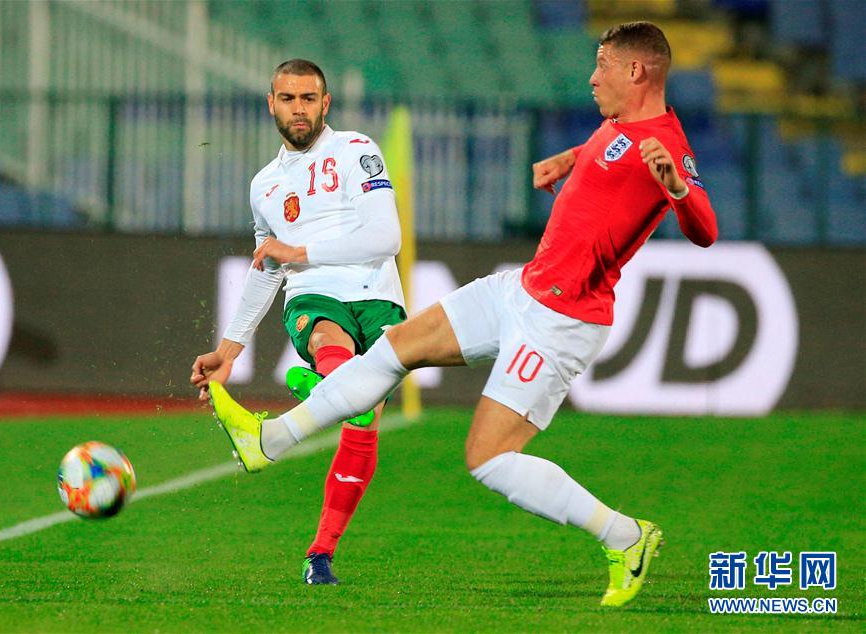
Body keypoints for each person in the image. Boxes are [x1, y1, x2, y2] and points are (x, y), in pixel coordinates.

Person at [204, 22, 718, 607]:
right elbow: (610, 152)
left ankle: (625, 537)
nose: (592, 77)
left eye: (602, 65)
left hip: (561, 319)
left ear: (636, 71)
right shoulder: (620, 124)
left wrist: (678, 188)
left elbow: (705, 228)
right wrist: (570, 159)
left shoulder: (665, 145)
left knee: (488, 458)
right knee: (394, 348)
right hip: (521, 288)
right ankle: (268, 439)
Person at [190, 59, 407, 586]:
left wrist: (297, 250)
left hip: (377, 295)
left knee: (362, 422)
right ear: (271, 104)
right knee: (339, 358)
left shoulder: (357, 151)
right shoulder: (264, 185)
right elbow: (267, 268)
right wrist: (229, 349)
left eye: (308, 98)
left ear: (325, 103)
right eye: (287, 99)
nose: (298, 109)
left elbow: (386, 239)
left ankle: (321, 552)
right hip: (314, 295)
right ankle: (329, 382)